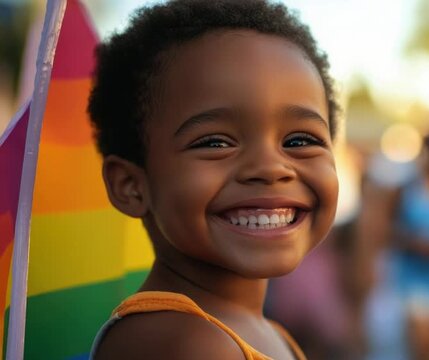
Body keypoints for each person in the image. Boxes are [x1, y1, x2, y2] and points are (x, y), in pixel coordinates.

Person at [86, 1, 339, 359]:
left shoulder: (270, 333)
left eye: (299, 141)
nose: (271, 168)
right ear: (131, 185)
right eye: (215, 142)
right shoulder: (181, 342)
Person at [362, 127, 429, 360]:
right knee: (422, 348)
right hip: (414, 280)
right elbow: (385, 231)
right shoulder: (408, 187)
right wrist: (414, 243)